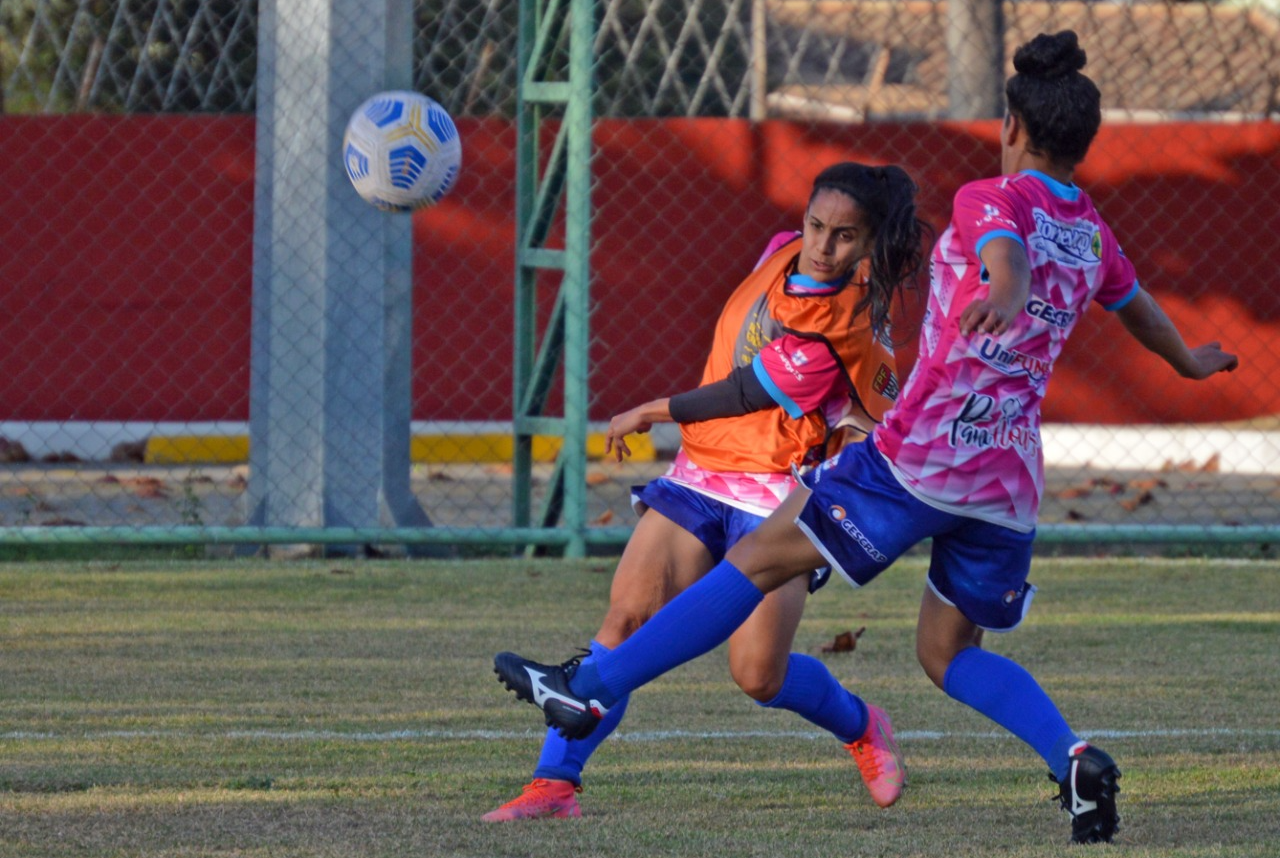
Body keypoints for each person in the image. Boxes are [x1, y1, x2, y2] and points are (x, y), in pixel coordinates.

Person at [492, 31, 1239, 844]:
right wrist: (1189, 363)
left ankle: (593, 685)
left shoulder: (993, 199)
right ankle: (1074, 757)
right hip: (1009, 478)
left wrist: (1006, 288)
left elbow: (1006, 257)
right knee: (947, 653)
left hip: (923, 456)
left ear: (1012, 129)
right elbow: (1132, 303)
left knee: (758, 560)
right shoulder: (1092, 231)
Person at [483, 162, 930, 821]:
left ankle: (862, 724)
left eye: (842, 236)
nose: (820, 244)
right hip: (702, 475)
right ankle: (555, 785)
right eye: (815, 225)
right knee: (627, 618)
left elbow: (744, 391)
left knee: (758, 675)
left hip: (783, 497)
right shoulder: (782, 252)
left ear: (868, 247)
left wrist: (650, 411)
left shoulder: (837, 326)